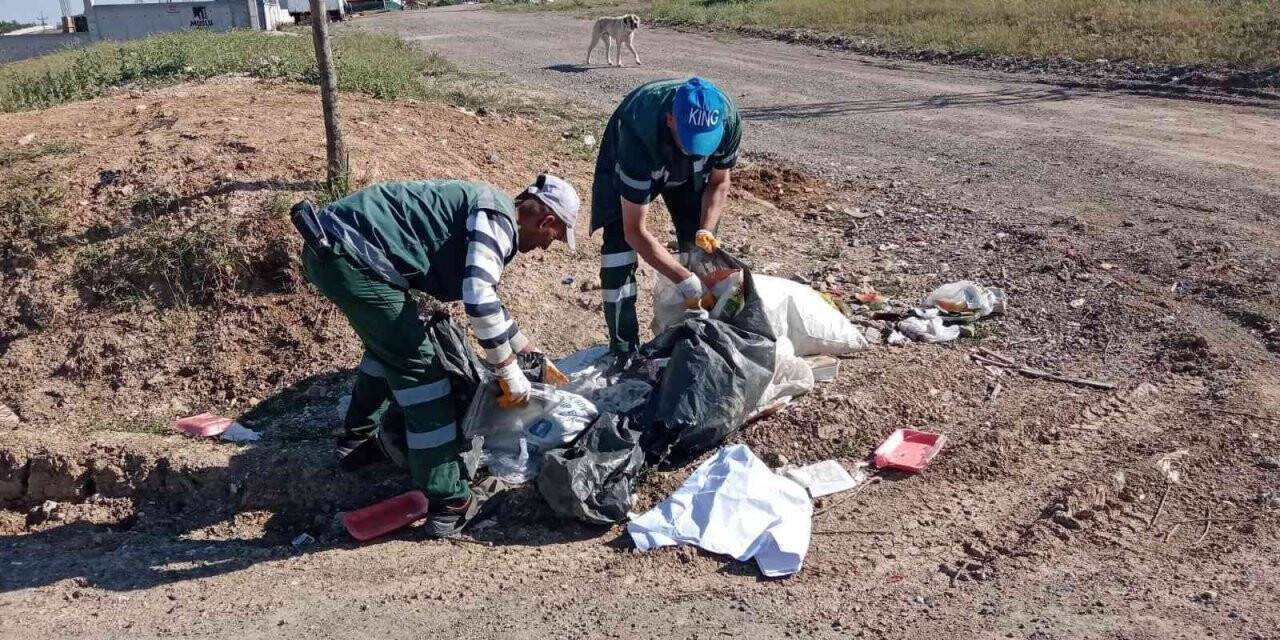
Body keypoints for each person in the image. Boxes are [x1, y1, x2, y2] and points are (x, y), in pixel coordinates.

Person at [291, 176, 579, 536]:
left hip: (334, 248)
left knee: (389, 348)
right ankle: (449, 499)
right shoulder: (498, 222)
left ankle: (357, 442)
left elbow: (484, 294)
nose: (545, 247)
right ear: (547, 221)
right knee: (422, 374)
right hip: (350, 256)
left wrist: (523, 348)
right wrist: (506, 369)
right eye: (554, 237)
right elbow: (478, 299)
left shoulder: (489, 208)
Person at [590, 77, 741, 354]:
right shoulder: (638, 132)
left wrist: (705, 231)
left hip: (686, 176)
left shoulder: (728, 120)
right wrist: (683, 279)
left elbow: (719, 183)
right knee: (618, 253)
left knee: (700, 253)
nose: (696, 152)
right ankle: (623, 348)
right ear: (671, 120)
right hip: (643, 151)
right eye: (691, 142)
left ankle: (690, 340)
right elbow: (634, 230)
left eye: (705, 144)